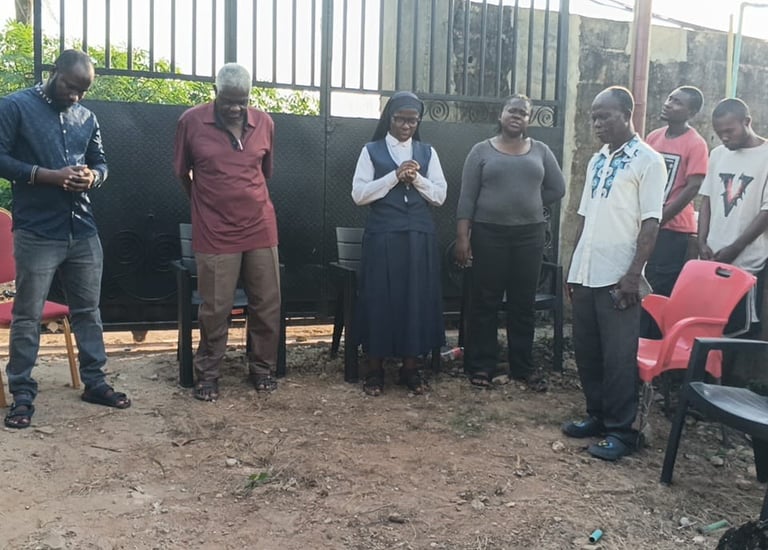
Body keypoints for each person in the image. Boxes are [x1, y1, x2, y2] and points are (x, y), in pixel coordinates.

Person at [0, 49, 131, 429]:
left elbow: (101, 162)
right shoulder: (15, 107)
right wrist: (47, 175)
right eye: (70, 87)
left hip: (82, 228)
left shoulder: (87, 117)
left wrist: (94, 177)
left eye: (82, 91)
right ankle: (22, 393)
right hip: (37, 230)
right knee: (27, 316)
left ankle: (96, 383)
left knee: (89, 310)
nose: (75, 96)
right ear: (54, 72)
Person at [562, 86, 666, 461]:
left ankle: (622, 432)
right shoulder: (597, 160)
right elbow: (584, 217)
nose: (597, 123)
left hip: (619, 275)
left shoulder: (648, 161)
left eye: (604, 116)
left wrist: (632, 276)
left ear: (626, 113)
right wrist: (574, 268)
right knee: (588, 352)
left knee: (619, 356)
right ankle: (597, 417)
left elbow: (651, 225)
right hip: (587, 270)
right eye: (593, 117)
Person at [173, 63, 281, 401]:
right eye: (228, 101)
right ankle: (208, 373)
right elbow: (181, 173)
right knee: (216, 307)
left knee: (266, 303)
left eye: (242, 101)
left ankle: (261, 368)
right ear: (215, 92)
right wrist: (204, 205)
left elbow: (264, 173)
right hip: (215, 231)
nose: (235, 108)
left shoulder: (264, 123)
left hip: (260, 226)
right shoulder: (191, 122)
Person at [455, 93, 566, 391]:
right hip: (488, 234)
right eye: (512, 110)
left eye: (523, 113)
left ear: (529, 120)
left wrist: (531, 202)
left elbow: (558, 187)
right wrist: (463, 238)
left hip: (529, 236)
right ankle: (481, 365)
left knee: (522, 304)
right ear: (501, 114)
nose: (517, 116)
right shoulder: (480, 152)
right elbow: (466, 199)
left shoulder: (540, 151)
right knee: (485, 301)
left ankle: (522, 367)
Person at [351, 91, 447, 396]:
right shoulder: (371, 151)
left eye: (412, 120)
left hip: (418, 236)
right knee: (380, 298)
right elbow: (359, 195)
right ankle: (375, 369)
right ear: (389, 118)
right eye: (400, 119)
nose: (406, 125)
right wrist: (394, 175)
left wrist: (415, 178)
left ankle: (410, 368)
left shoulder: (427, 152)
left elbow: (440, 196)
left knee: (414, 300)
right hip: (383, 235)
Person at [641, 86, 709, 338]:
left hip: (673, 230)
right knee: (641, 283)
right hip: (649, 223)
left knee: (659, 288)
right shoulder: (654, 137)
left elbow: (693, 187)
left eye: (677, 102)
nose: (668, 103)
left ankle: (654, 345)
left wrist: (661, 218)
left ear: (690, 112)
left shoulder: (695, 143)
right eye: (669, 98)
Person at [698, 98, 768, 337]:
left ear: (747, 121)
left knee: (738, 330)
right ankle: (706, 375)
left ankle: (728, 376)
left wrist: (735, 248)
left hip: (746, 263)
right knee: (708, 326)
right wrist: (701, 241)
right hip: (713, 259)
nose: (724, 138)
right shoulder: (717, 154)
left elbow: (766, 213)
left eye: (729, 131)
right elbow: (706, 200)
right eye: (719, 133)